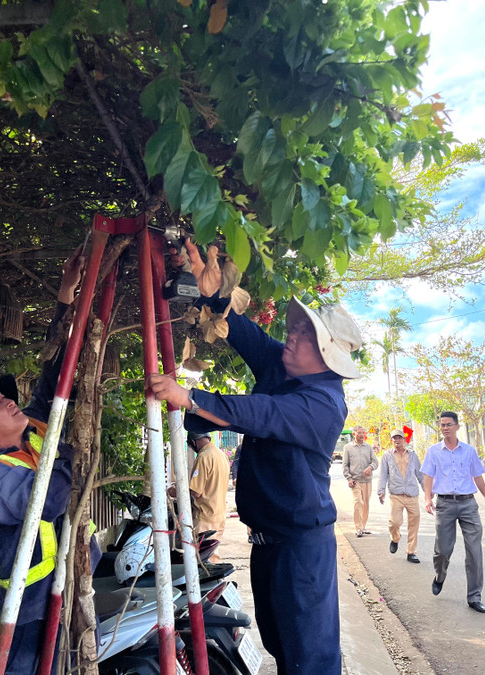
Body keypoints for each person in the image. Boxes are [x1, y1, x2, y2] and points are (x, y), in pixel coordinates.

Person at [149, 240, 363, 675]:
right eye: (299, 328)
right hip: (268, 544)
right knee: (284, 652)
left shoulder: (323, 402)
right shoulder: (284, 367)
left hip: (301, 549)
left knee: (310, 664)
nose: (293, 336)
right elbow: (249, 335)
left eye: (304, 335)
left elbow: (259, 413)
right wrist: (213, 295)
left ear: (326, 358)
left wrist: (189, 398)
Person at [0, 250, 99, 675]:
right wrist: (77, 448)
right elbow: (46, 500)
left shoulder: (33, 428)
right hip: (26, 609)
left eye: (3, 396)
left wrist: (68, 296)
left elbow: (55, 373)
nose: (9, 400)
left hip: (70, 590)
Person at [421, 411, 485, 614]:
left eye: (448, 424)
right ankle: (440, 575)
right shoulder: (434, 451)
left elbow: (478, 476)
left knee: (474, 550)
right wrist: (428, 498)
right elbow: (428, 475)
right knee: (443, 550)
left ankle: (474, 596)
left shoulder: (469, 451)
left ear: (457, 426)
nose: (444, 428)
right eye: (442, 424)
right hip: (444, 504)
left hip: (468, 504)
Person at [378, 429, 425, 563]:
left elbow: (420, 474)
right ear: (391, 441)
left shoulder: (413, 455)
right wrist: (381, 491)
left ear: (404, 440)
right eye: (394, 438)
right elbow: (383, 475)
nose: (397, 440)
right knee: (394, 522)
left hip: (412, 495)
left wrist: (427, 491)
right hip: (396, 495)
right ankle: (395, 538)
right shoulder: (387, 456)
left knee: (414, 524)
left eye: (399, 438)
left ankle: (411, 552)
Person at [186, 431, 230, 563]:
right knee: (212, 553)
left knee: (204, 559)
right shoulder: (221, 455)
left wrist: (175, 491)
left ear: (194, 442)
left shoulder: (203, 457)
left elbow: (195, 491)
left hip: (205, 516)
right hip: (219, 514)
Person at [342, 425, 379, 537]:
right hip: (355, 481)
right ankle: (358, 528)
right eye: (359, 433)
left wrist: (370, 468)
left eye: (363, 432)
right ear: (354, 434)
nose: (362, 435)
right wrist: (349, 478)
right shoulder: (348, 448)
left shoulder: (368, 447)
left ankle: (363, 526)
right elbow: (345, 465)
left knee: (365, 504)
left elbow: (375, 462)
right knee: (358, 503)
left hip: (367, 481)